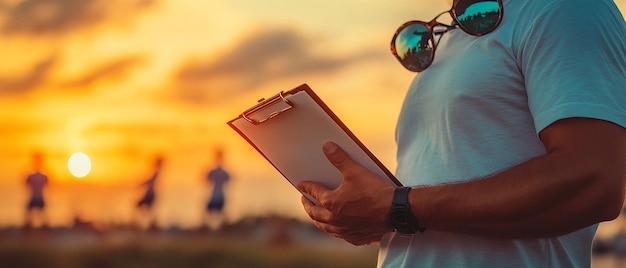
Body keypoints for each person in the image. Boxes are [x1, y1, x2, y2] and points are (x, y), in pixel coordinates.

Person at [297, 0, 626, 267]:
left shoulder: (565, 8)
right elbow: (428, 203)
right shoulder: (449, 40)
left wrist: (397, 207)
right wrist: (378, 216)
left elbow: (594, 180)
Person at [204, 148, 230, 229]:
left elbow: (206, 179)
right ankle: (215, 230)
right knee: (217, 214)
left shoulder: (215, 171)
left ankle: (219, 230)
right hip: (219, 195)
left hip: (216, 195)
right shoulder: (223, 172)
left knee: (212, 213)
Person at [135, 156, 163, 227]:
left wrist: (141, 184)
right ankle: (147, 222)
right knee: (147, 210)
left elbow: (150, 181)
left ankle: (149, 223)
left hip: (150, 195)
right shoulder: (156, 172)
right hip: (150, 194)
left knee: (145, 209)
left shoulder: (156, 173)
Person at [25, 152, 48, 227]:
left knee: (30, 213)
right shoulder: (43, 176)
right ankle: (42, 226)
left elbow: (26, 183)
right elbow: (48, 184)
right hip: (39, 197)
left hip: (34, 196)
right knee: (41, 214)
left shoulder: (31, 176)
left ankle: (30, 225)